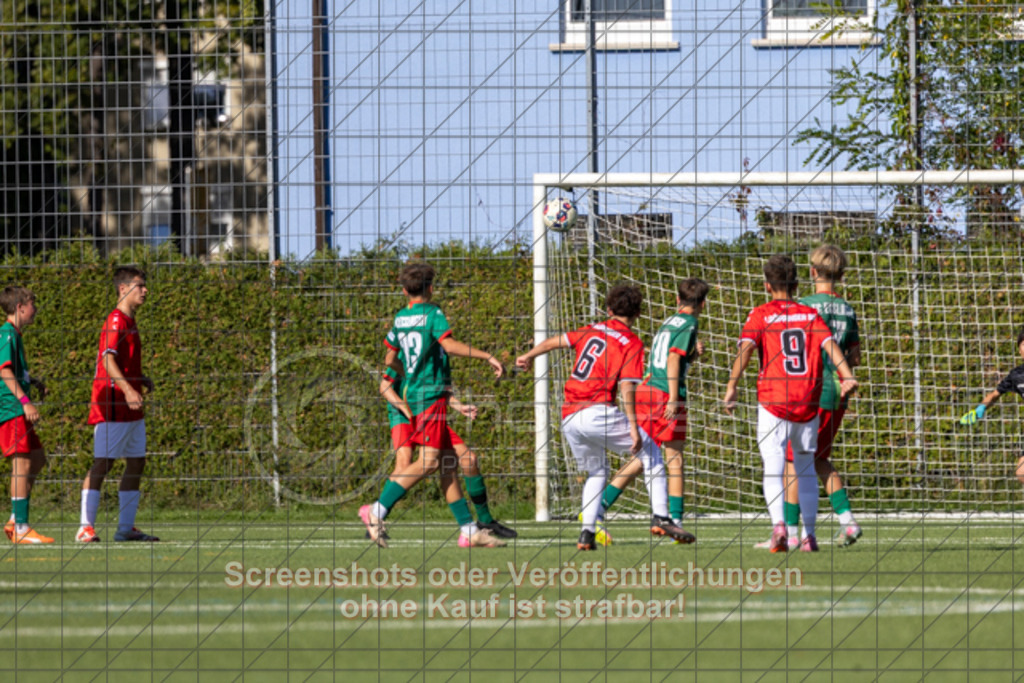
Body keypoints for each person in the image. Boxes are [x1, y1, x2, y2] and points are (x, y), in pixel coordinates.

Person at [516, 284, 693, 551]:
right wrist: (633, 427)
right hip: (597, 412)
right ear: (638, 314)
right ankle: (661, 516)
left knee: (597, 470)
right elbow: (626, 387)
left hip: (569, 417)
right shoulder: (632, 342)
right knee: (653, 454)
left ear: (609, 309)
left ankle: (587, 533)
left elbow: (555, 341)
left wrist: (529, 355)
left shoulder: (591, 329)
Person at [359, 261, 507, 548]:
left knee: (452, 461)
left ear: (404, 291)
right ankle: (375, 510)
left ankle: (469, 529)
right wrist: (487, 355)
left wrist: (409, 375)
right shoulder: (433, 313)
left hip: (421, 398)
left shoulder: (400, 318)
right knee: (428, 463)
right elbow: (449, 345)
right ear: (431, 288)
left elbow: (390, 360)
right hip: (428, 401)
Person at [723, 254, 857, 553]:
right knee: (806, 468)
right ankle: (809, 537)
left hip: (774, 401)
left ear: (767, 286)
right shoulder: (809, 315)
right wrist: (847, 375)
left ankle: (780, 528)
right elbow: (830, 346)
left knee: (774, 465)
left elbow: (745, 350)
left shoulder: (760, 314)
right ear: (796, 284)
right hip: (808, 401)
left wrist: (732, 386)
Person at [583, 278, 709, 546]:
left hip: (647, 389)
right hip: (665, 393)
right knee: (674, 456)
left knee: (645, 457)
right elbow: (673, 359)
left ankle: (598, 510)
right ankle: (673, 521)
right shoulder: (690, 323)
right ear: (703, 303)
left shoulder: (669, 322)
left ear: (677, 300)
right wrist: (674, 397)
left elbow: (667, 356)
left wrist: (692, 355)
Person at [763, 245, 863, 550]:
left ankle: (792, 534)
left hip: (808, 390)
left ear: (811, 272)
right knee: (818, 458)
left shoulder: (802, 306)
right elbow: (855, 357)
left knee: (794, 462)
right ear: (842, 275)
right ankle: (846, 522)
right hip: (839, 392)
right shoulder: (848, 309)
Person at [375, 365, 517, 545]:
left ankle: (483, 521)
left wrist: (460, 407)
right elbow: (385, 386)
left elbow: (441, 391)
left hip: (427, 416)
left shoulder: (439, 354)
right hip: (404, 415)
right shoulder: (411, 347)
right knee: (408, 464)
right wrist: (404, 408)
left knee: (467, 460)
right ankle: (376, 516)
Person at [76, 267, 159, 543]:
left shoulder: (130, 320)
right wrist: (126, 388)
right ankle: (85, 527)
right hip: (112, 402)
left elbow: (122, 361)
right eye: (140, 286)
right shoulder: (115, 320)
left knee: (137, 462)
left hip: (130, 404)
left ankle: (126, 529)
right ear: (123, 289)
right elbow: (107, 360)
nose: (145, 290)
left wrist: (138, 378)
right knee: (104, 463)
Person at [0, 286, 52, 544]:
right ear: (20, 307)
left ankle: (14, 518)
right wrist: (24, 402)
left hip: (17, 407)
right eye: (33, 303)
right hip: (11, 409)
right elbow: (5, 371)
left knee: (37, 459)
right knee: (21, 466)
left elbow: (17, 372)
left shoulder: (15, 335)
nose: (35, 308)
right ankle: (21, 528)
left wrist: (36, 383)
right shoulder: (7, 334)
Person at [959, 327, 1024, 487]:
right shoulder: (1017, 375)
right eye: (1023, 347)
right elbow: (995, 394)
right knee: (1022, 473)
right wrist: (979, 409)